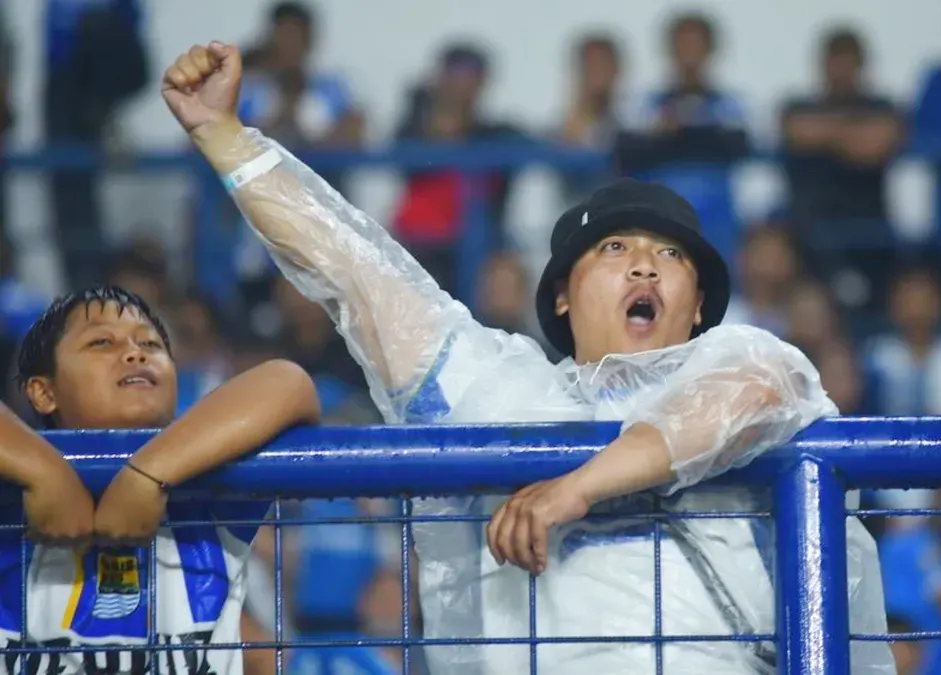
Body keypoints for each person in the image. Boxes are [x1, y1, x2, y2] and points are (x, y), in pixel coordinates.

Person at [161, 42, 894, 675]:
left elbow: (749, 395)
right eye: (614, 250)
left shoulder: (746, 357)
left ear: (698, 304)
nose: (644, 267)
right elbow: (357, 273)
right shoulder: (499, 386)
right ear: (564, 299)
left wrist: (574, 488)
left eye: (669, 255)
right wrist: (224, 136)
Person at [0, 285, 321, 673]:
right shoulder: (10, 489)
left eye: (151, 344)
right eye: (102, 342)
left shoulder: (205, 486)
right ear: (43, 391)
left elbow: (287, 381)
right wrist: (45, 473)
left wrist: (146, 477)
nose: (136, 352)